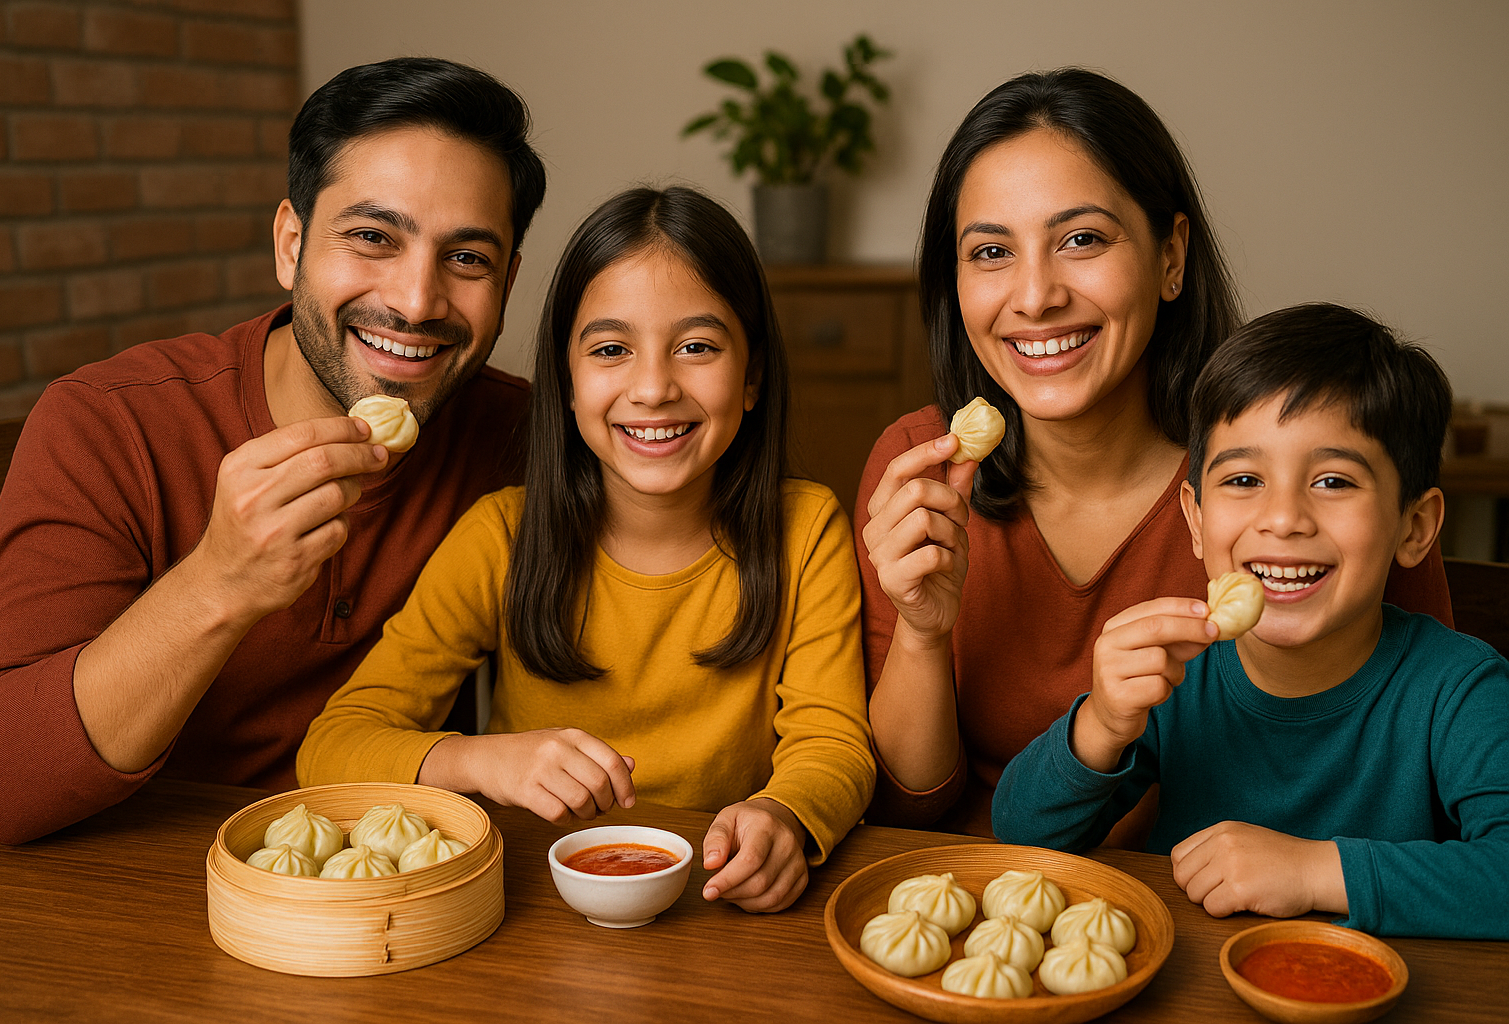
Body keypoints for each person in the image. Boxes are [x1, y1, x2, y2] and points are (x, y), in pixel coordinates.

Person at [854, 68, 1453, 837]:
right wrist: (923, 632)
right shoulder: (919, 468)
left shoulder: (1299, 478)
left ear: (1171, 257)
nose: (1035, 296)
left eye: (1082, 240)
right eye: (991, 252)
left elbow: (1421, 756)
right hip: (979, 898)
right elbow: (910, 808)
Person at [0, 57, 547, 845]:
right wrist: (219, 583)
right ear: (291, 244)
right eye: (373, 237)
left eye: (467, 258)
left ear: (508, 284)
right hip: (133, 896)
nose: (417, 301)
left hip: (411, 902)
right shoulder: (109, 425)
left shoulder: (526, 439)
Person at [298, 186, 874, 913]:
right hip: (528, 904)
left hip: (718, 902)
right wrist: (480, 761)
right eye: (610, 350)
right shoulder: (500, 537)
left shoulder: (807, 529)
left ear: (752, 375)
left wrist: (786, 815)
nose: (655, 387)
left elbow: (833, 741)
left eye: (697, 347)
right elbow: (332, 748)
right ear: (567, 383)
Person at [991, 304, 1509, 939]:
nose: (1283, 517)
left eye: (1334, 481)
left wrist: (1315, 872)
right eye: (1243, 478)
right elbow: (1020, 836)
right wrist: (1102, 723)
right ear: (1197, 521)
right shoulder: (1180, 677)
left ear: (1415, 526)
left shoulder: (1461, 689)